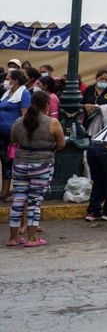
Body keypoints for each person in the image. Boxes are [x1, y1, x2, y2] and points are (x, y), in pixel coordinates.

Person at [8, 90, 64, 247]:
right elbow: (61, 144)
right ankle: (32, 238)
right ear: (47, 105)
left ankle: (14, 238)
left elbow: (13, 140)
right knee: (34, 202)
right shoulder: (52, 123)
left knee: (18, 200)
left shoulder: (19, 121)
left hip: (19, 164)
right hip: (42, 165)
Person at [1, 69, 33, 202]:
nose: (6, 81)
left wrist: (18, 135)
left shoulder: (24, 94)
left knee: (15, 163)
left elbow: (25, 116)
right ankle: (4, 190)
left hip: (13, 135)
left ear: (16, 80)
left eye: (8, 78)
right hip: (2, 134)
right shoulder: (7, 94)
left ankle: (17, 192)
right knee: (5, 162)